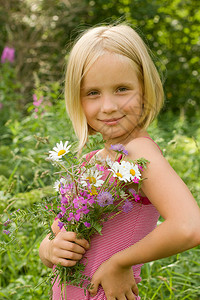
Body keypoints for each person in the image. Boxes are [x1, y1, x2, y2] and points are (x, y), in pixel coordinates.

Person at [39, 24, 200, 300]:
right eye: (93, 93)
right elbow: (56, 234)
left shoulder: (138, 154)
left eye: (122, 89)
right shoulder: (91, 162)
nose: (109, 106)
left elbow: (189, 226)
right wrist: (50, 248)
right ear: (77, 99)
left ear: (145, 91)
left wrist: (120, 262)